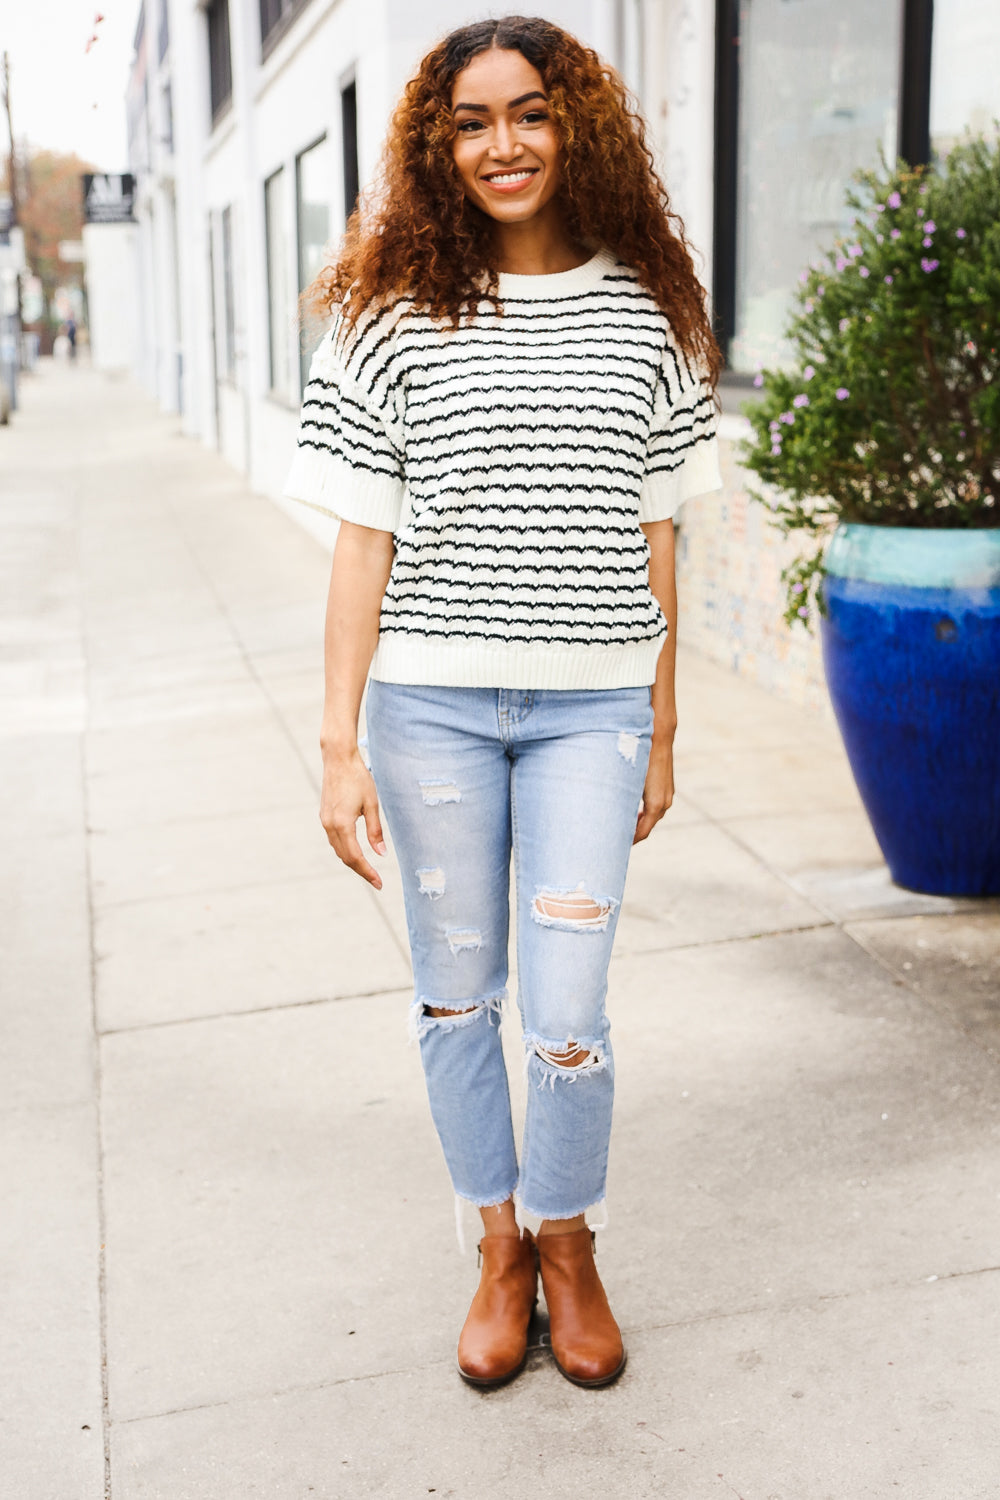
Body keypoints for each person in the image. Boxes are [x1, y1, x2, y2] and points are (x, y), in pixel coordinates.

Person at [285, 14, 721, 1390]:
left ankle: (570, 1239)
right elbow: (365, 540)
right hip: (433, 714)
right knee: (458, 998)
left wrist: (662, 721)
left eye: (527, 113)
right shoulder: (392, 314)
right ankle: (497, 1244)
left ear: (573, 123)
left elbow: (661, 538)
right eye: (471, 122)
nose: (502, 144)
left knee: (572, 1009)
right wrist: (338, 742)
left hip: (594, 713)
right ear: (438, 144)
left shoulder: (648, 309)